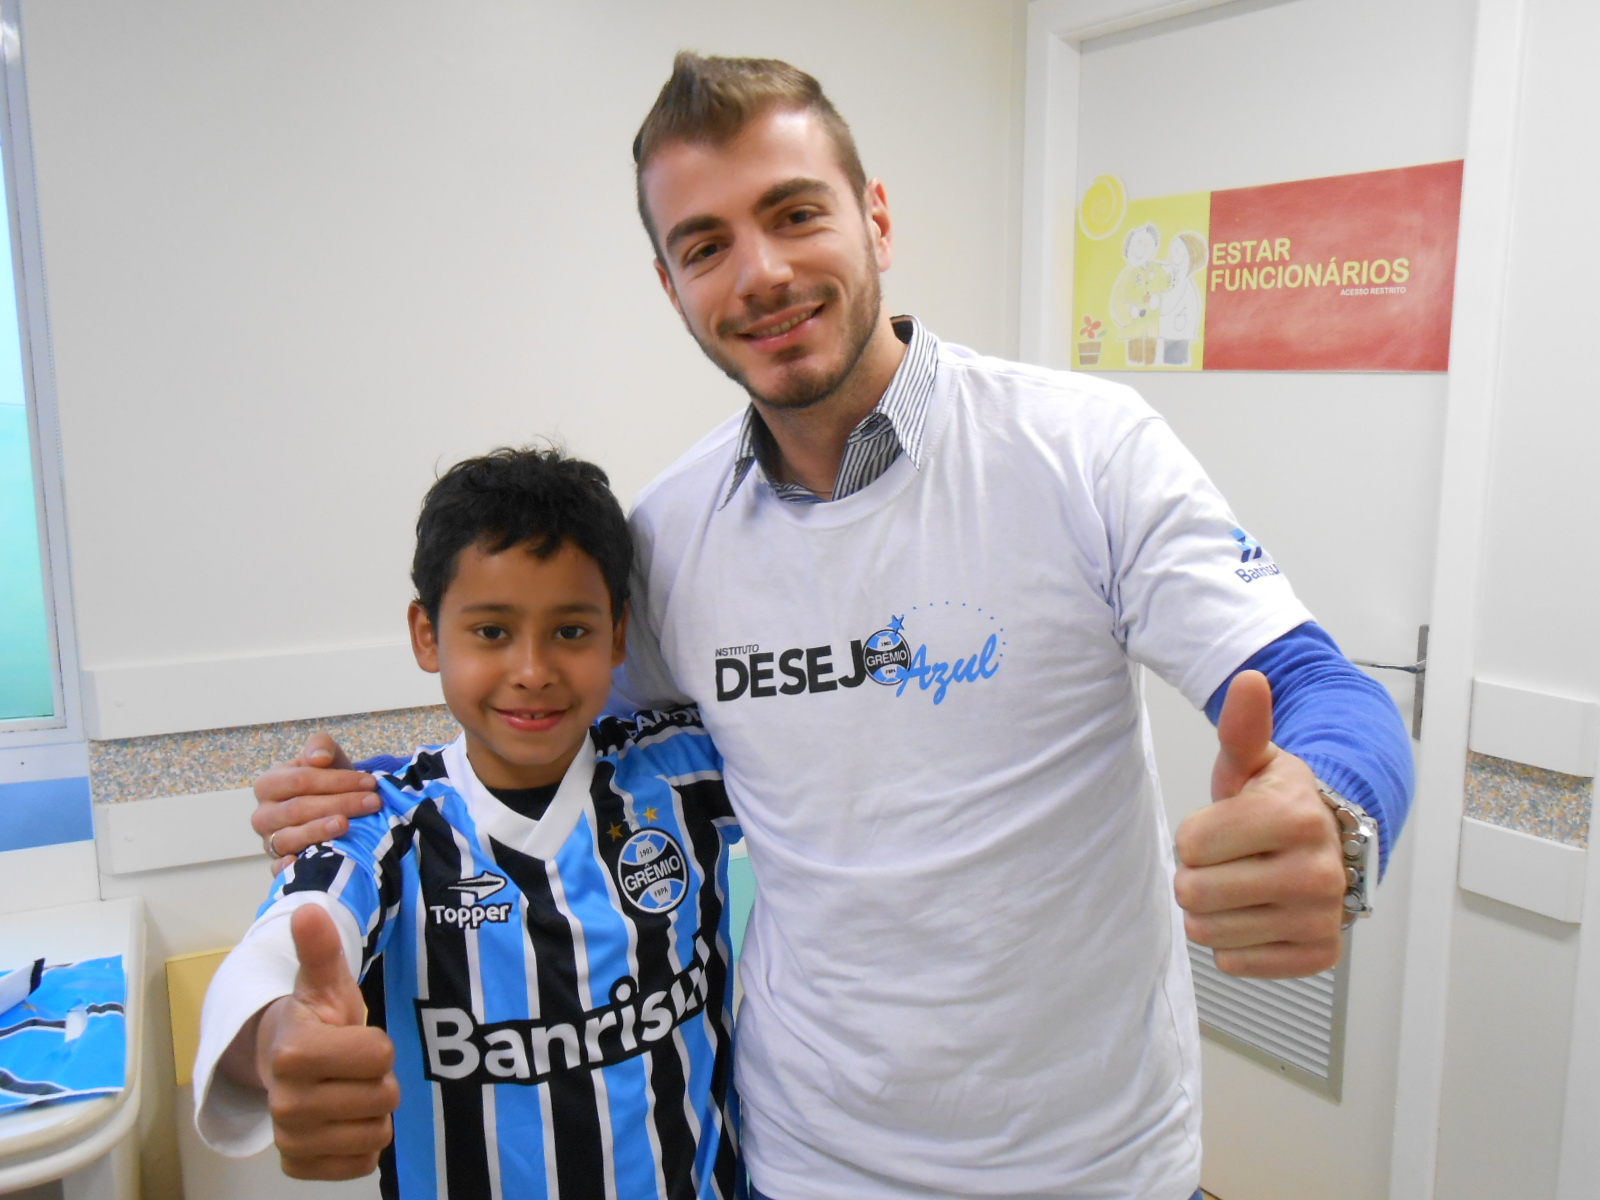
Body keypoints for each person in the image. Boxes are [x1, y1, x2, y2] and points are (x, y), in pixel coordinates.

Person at [249, 54, 1414, 1200]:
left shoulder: (1082, 448)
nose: (759, 273)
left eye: (794, 213)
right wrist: (360, 798)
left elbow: (1319, 689)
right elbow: (543, 732)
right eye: (704, 245)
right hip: (803, 1157)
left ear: (875, 218)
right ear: (670, 286)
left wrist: (1328, 811)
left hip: (1095, 1160)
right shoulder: (668, 542)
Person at [193, 448, 744, 1198]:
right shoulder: (381, 818)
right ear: (428, 635)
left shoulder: (685, 772)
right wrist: (268, 1039)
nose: (532, 669)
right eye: (491, 632)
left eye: (571, 632)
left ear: (618, 635)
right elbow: (292, 929)